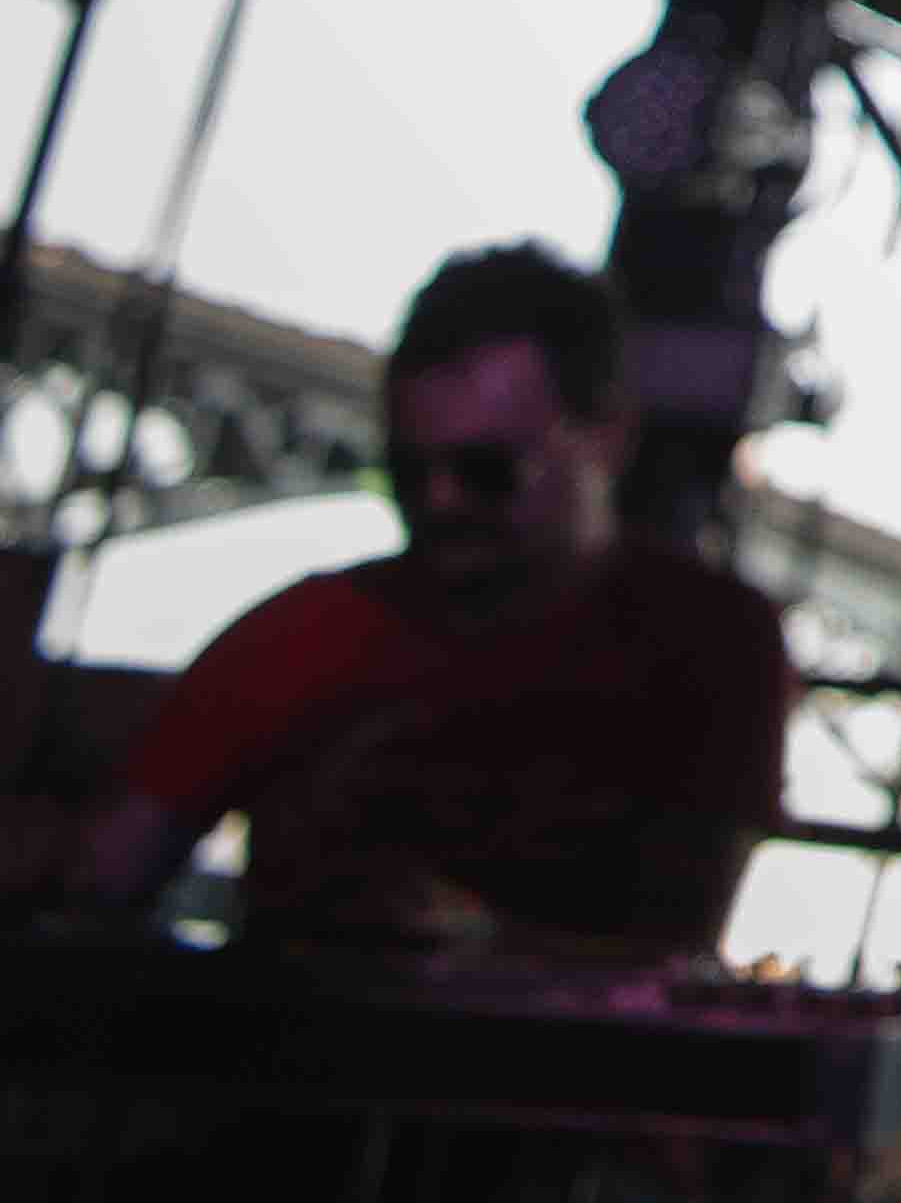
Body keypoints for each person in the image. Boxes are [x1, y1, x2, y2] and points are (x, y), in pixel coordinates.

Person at [13, 243, 794, 958]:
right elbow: (100, 878)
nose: (440, 501)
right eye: (411, 471)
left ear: (609, 438)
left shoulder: (712, 642)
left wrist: (473, 942)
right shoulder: (307, 633)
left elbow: (676, 947)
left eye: (487, 470)